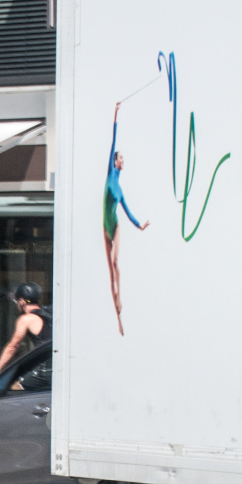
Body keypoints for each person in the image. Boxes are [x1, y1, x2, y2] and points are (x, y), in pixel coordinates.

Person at [103, 102, 148, 334]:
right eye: (122, 158)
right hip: (105, 225)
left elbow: (127, 210)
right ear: (116, 161)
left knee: (114, 262)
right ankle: (117, 315)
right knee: (109, 271)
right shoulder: (110, 174)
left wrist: (139, 225)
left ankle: (120, 296)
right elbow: (113, 141)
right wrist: (116, 114)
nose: (123, 160)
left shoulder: (119, 189)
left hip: (115, 226)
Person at [0, 284, 47, 383]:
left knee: (12, 384)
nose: (16, 304)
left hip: (44, 371)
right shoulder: (47, 314)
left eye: (17, 301)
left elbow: (13, 346)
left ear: (22, 301)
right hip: (55, 367)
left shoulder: (26, 319)